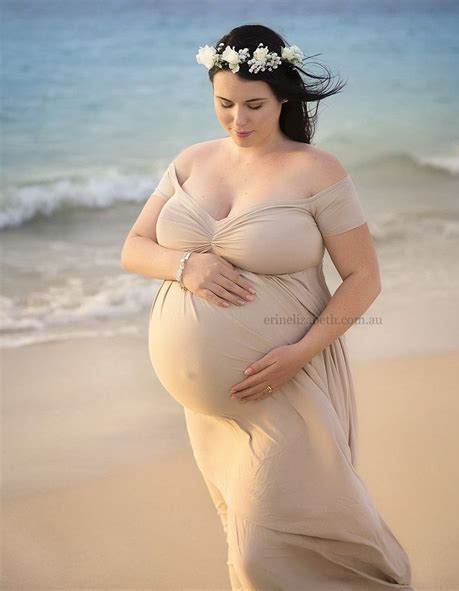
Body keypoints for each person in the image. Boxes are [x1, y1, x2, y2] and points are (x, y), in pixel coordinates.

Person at [121, 23, 415, 591]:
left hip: (286, 383)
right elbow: (135, 248)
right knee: (247, 542)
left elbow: (364, 277)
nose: (239, 120)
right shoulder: (190, 161)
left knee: (266, 553)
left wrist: (297, 353)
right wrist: (188, 265)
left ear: (283, 97)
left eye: (254, 104)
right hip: (211, 410)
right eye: (224, 104)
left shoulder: (316, 170)